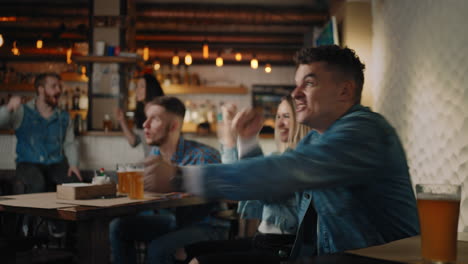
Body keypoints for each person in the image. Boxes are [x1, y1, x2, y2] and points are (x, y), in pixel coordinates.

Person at [143, 45, 420, 261]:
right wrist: (248, 142)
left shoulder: (364, 131)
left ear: (345, 90)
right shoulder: (314, 140)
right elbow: (273, 193)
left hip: (382, 259)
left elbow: (286, 171)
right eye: (296, 84)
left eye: (308, 83)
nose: (296, 93)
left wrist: (181, 177)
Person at [184, 95, 311, 263]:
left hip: (281, 248)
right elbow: (239, 182)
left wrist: (243, 140)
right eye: (278, 116)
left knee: (198, 261)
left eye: (287, 116)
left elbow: (255, 187)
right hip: (262, 240)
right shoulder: (277, 157)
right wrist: (231, 140)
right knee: (184, 252)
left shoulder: (299, 162)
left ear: (301, 121)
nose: (279, 123)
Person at [110, 96, 229, 264]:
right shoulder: (155, 155)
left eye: (155, 119)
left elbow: (215, 195)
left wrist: (174, 182)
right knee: (118, 227)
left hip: (207, 225)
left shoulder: (204, 156)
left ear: (173, 126)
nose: (145, 124)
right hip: (174, 222)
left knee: (158, 248)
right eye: (146, 118)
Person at [0, 72, 82, 194]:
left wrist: (73, 165)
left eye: (59, 86)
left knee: (75, 185)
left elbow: (69, 143)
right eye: (54, 86)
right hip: (28, 164)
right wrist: (8, 108)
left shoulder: (64, 117)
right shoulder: (22, 111)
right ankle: (32, 214)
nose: (59, 90)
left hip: (56, 164)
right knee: (37, 184)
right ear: (41, 89)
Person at [116, 73, 165, 157]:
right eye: (137, 86)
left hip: (163, 166)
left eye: (141, 86)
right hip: (150, 166)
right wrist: (122, 121)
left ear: (151, 89)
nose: (137, 90)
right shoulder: (141, 113)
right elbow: (133, 142)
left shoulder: (161, 113)